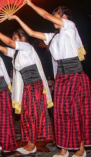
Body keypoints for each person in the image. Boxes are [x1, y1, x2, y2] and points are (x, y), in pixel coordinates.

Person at [13, 1, 91, 157]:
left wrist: (29, 3)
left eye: (55, 15)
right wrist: (16, 18)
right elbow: (33, 33)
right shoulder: (53, 37)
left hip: (74, 74)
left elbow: (44, 15)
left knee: (76, 112)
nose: (51, 18)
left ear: (63, 17)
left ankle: (80, 149)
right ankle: (64, 149)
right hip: (61, 78)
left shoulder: (69, 26)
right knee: (60, 114)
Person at [0, 25, 53, 154]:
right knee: (26, 115)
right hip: (28, 87)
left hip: (35, 85)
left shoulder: (26, 46)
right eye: (13, 39)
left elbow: (9, 43)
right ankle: (30, 142)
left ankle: (32, 144)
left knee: (32, 114)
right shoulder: (17, 53)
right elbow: (3, 49)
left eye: (16, 38)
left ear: (22, 38)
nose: (14, 41)